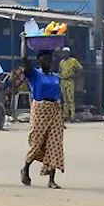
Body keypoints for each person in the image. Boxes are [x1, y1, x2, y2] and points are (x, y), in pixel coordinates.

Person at [20, 49, 65, 189]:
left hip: (55, 110)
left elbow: (59, 94)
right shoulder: (34, 74)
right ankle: (26, 167)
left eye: (49, 59)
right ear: (39, 60)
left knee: (55, 144)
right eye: (45, 59)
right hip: (40, 110)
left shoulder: (56, 77)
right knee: (37, 142)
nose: (48, 62)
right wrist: (24, 41)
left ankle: (51, 179)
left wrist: (63, 114)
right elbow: (24, 58)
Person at [58, 47, 82, 121]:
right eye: (63, 52)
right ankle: (66, 115)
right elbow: (60, 70)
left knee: (70, 99)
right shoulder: (61, 62)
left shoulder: (73, 61)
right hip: (63, 81)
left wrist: (75, 75)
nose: (64, 54)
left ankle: (72, 115)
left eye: (65, 52)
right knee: (65, 99)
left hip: (70, 81)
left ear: (68, 53)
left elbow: (80, 69)